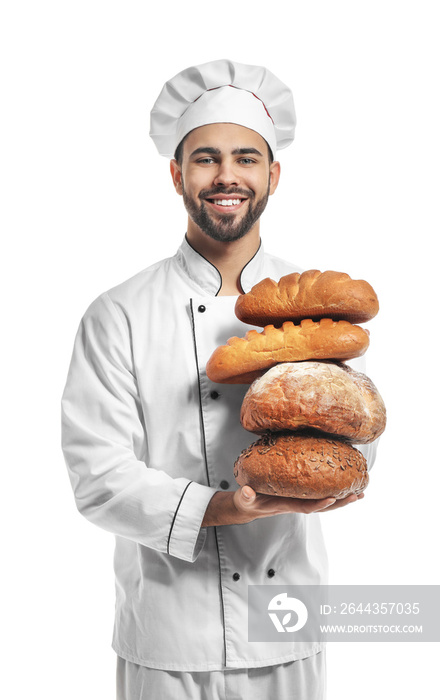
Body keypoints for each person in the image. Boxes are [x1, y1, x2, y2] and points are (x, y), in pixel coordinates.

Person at [61, 59, 376, 700]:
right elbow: (97, 477)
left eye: (246, 158)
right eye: (205, 158)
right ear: (176, 174)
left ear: (273, 176)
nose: (226, 176)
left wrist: (328, 480)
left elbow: (358, 435)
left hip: (288, 622)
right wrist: (226, 507)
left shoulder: (323, 315)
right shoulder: (118, 313)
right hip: (166, 636)